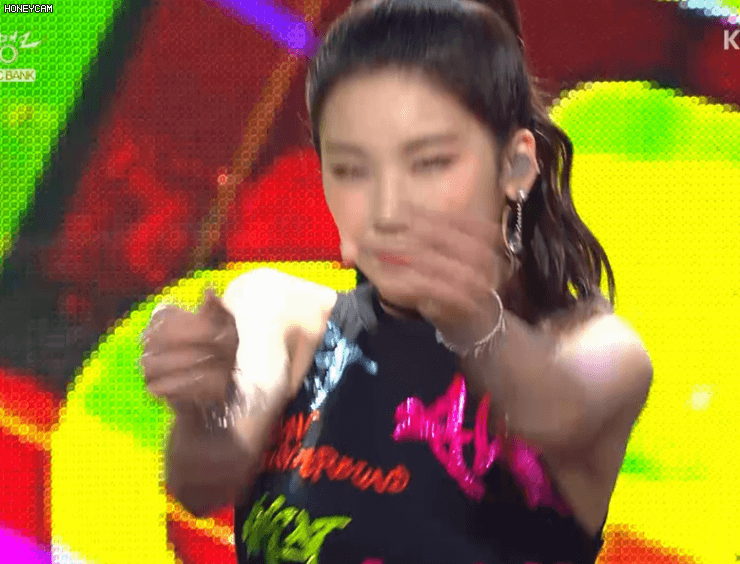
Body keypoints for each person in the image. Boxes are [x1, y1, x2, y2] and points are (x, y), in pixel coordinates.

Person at [139, 0, 654, 562]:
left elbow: (555, 411)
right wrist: (201, 408)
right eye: (351, 168)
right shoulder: (278, 310)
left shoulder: (602, 352)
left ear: (515, 165)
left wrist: (471, 316)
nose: (385, 207)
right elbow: (203, 482)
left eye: (428, 160)